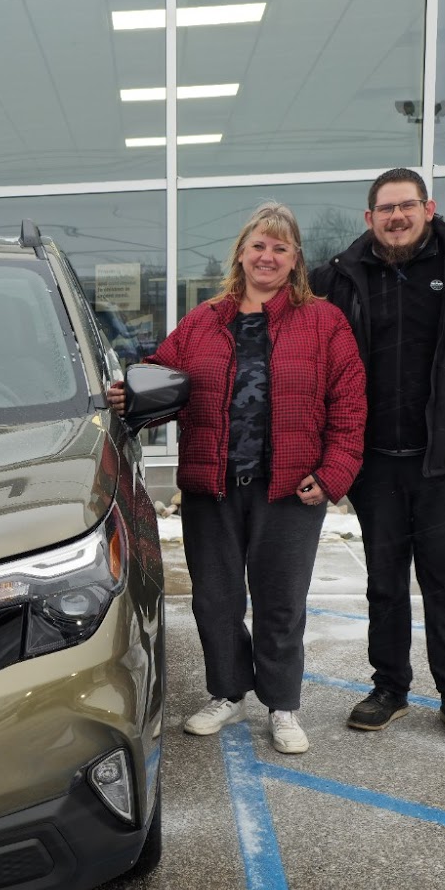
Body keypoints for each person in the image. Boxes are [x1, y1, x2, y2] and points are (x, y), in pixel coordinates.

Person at [108, 203, 365, 753]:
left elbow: (349, 404)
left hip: (290, 489)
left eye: (280, 248)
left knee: (281, 602)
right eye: (258, 246)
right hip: (214, 486)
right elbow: (164, 380)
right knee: (215, 600)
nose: (267, 256)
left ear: (295, 259)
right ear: (242, 254)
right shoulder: (205, 320)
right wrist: (131, 395)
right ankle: (227, 692)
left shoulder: (324, 322)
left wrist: (334, 473)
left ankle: (282, 704)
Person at [311, 169, 445, 744]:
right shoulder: (340, 276)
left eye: (406, 205)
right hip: (375, 460)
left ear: (428, 209)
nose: (396, 217)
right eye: (385, 209)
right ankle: (390, 688)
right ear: (369, 218)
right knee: (384, 582)